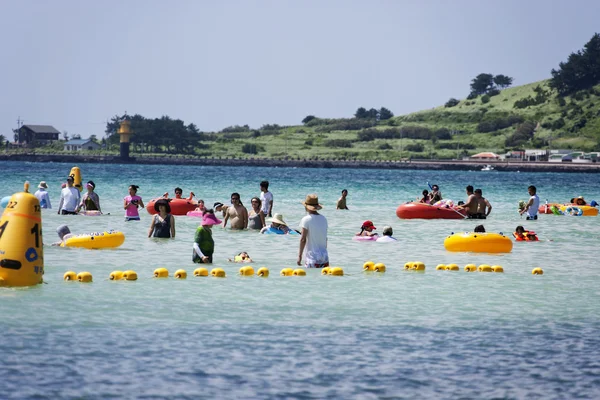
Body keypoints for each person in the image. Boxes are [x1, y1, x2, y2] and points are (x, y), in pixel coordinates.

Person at [297, 194, 329, 268]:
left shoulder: (306, 219)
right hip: (324, 257)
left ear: (306, 207)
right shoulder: (324, 219)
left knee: (310, 278)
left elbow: (303, 239)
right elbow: (325, 239)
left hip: (312, 258)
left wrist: (299, 256)